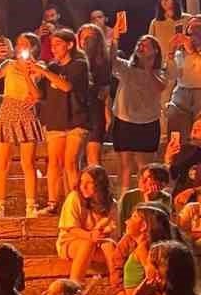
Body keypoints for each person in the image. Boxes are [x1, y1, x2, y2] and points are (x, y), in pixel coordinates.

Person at [0, 31, 44, 219]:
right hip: (7, 110)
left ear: (33, 47)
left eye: (24, 44)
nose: (20, 47)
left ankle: (30, 206)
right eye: (18, 43)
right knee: (2, 163)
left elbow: (36, 95)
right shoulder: (9, 64)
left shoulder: (38, 66)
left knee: (28, 163)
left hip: (26, 113)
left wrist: (27, 73)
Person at [31, 28, 91, 211]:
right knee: (54, 163)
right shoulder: (51, 67)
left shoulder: (79, 65)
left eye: (58, 44)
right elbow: (38, 95)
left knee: (70, 162)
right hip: (55, 119)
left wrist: (46, 72)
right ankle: (53, 203)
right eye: (52, 45)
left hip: (75, 119)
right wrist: (31, 75)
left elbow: (66, 86)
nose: (54, 48)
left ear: (70, 44)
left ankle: (76, 203)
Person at [110, 17, 167, 194]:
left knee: (146, 167)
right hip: (124, 120)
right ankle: (123, 202)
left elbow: (160, 87)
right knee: (125, 165)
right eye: (139, 43)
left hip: (148, 122)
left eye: (146, 43)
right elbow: (111, 60)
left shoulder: (160, 71)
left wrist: (148, 67)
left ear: (155, 51)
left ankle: (146, 200)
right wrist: (115, 38)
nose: (141, 45)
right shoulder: (126, 68)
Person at [56, 164, 117, 284]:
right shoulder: (74, 197)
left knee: (110, 246)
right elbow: (70, 228)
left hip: (99, 244)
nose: (83, 186)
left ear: (99, 184)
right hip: (71, 242)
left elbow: (112, 228)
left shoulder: (111, 203)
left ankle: (116, 282)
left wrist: (102, 232)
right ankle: (74, 285)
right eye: (81, 181)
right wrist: (90, 236)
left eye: (89, 182)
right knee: (88, 243)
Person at [77, 22, 113, 170]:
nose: (86, 42)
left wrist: (108, 113)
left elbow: (106, 91)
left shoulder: (104, 62)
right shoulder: (74, 61)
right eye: (83, 38)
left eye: (90, 38)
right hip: (77, 112)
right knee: (75, 160)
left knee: (93, 158)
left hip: (95, 113)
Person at [166, 14, 201, 141]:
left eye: (197, 25)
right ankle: (177, 158)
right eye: (190, 25)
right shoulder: (180, 52)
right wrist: (170, 54)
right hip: (182, 93)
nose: (192, 28)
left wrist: (193, 51)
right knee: (177, 132)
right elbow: (171, 75)